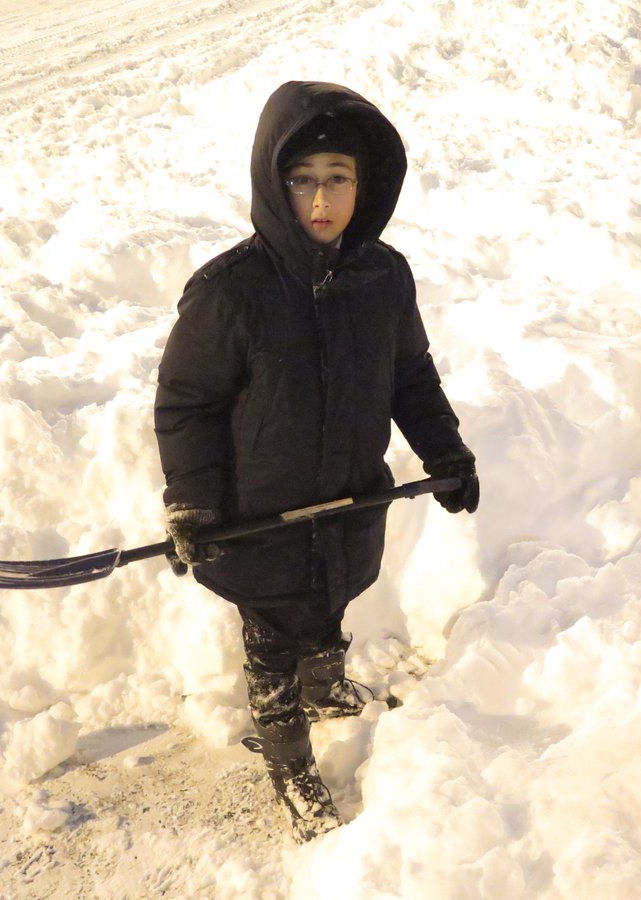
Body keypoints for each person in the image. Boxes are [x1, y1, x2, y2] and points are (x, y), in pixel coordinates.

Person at [153, 81, 479, 842]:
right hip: (257, 517)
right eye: (302, 179)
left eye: (338, 177)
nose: (321, 198)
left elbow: (409, 375)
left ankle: (326, 683)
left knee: (330, 601)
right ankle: (287, 756)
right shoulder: (230, 292)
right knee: (271, 633)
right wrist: (194, 503)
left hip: (346, 500)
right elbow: (186, 404)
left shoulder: (383, 277)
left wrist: (445, 450)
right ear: (274, 184)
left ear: (363, 186)